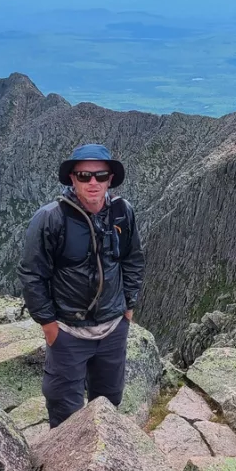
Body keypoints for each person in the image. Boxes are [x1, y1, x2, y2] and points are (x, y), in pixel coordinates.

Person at [18, 143, 145, 427]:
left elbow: (133, 259)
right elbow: (32, 274)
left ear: (110, 178)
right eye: (84, 175)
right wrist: (49, 326)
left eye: (100, 176)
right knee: (65, 411)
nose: (93, 182)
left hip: (113, 328)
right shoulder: (51, 218)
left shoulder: (123, 213)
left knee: (109, 402)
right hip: (68, 331)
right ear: (72, 179)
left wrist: (128, 307)